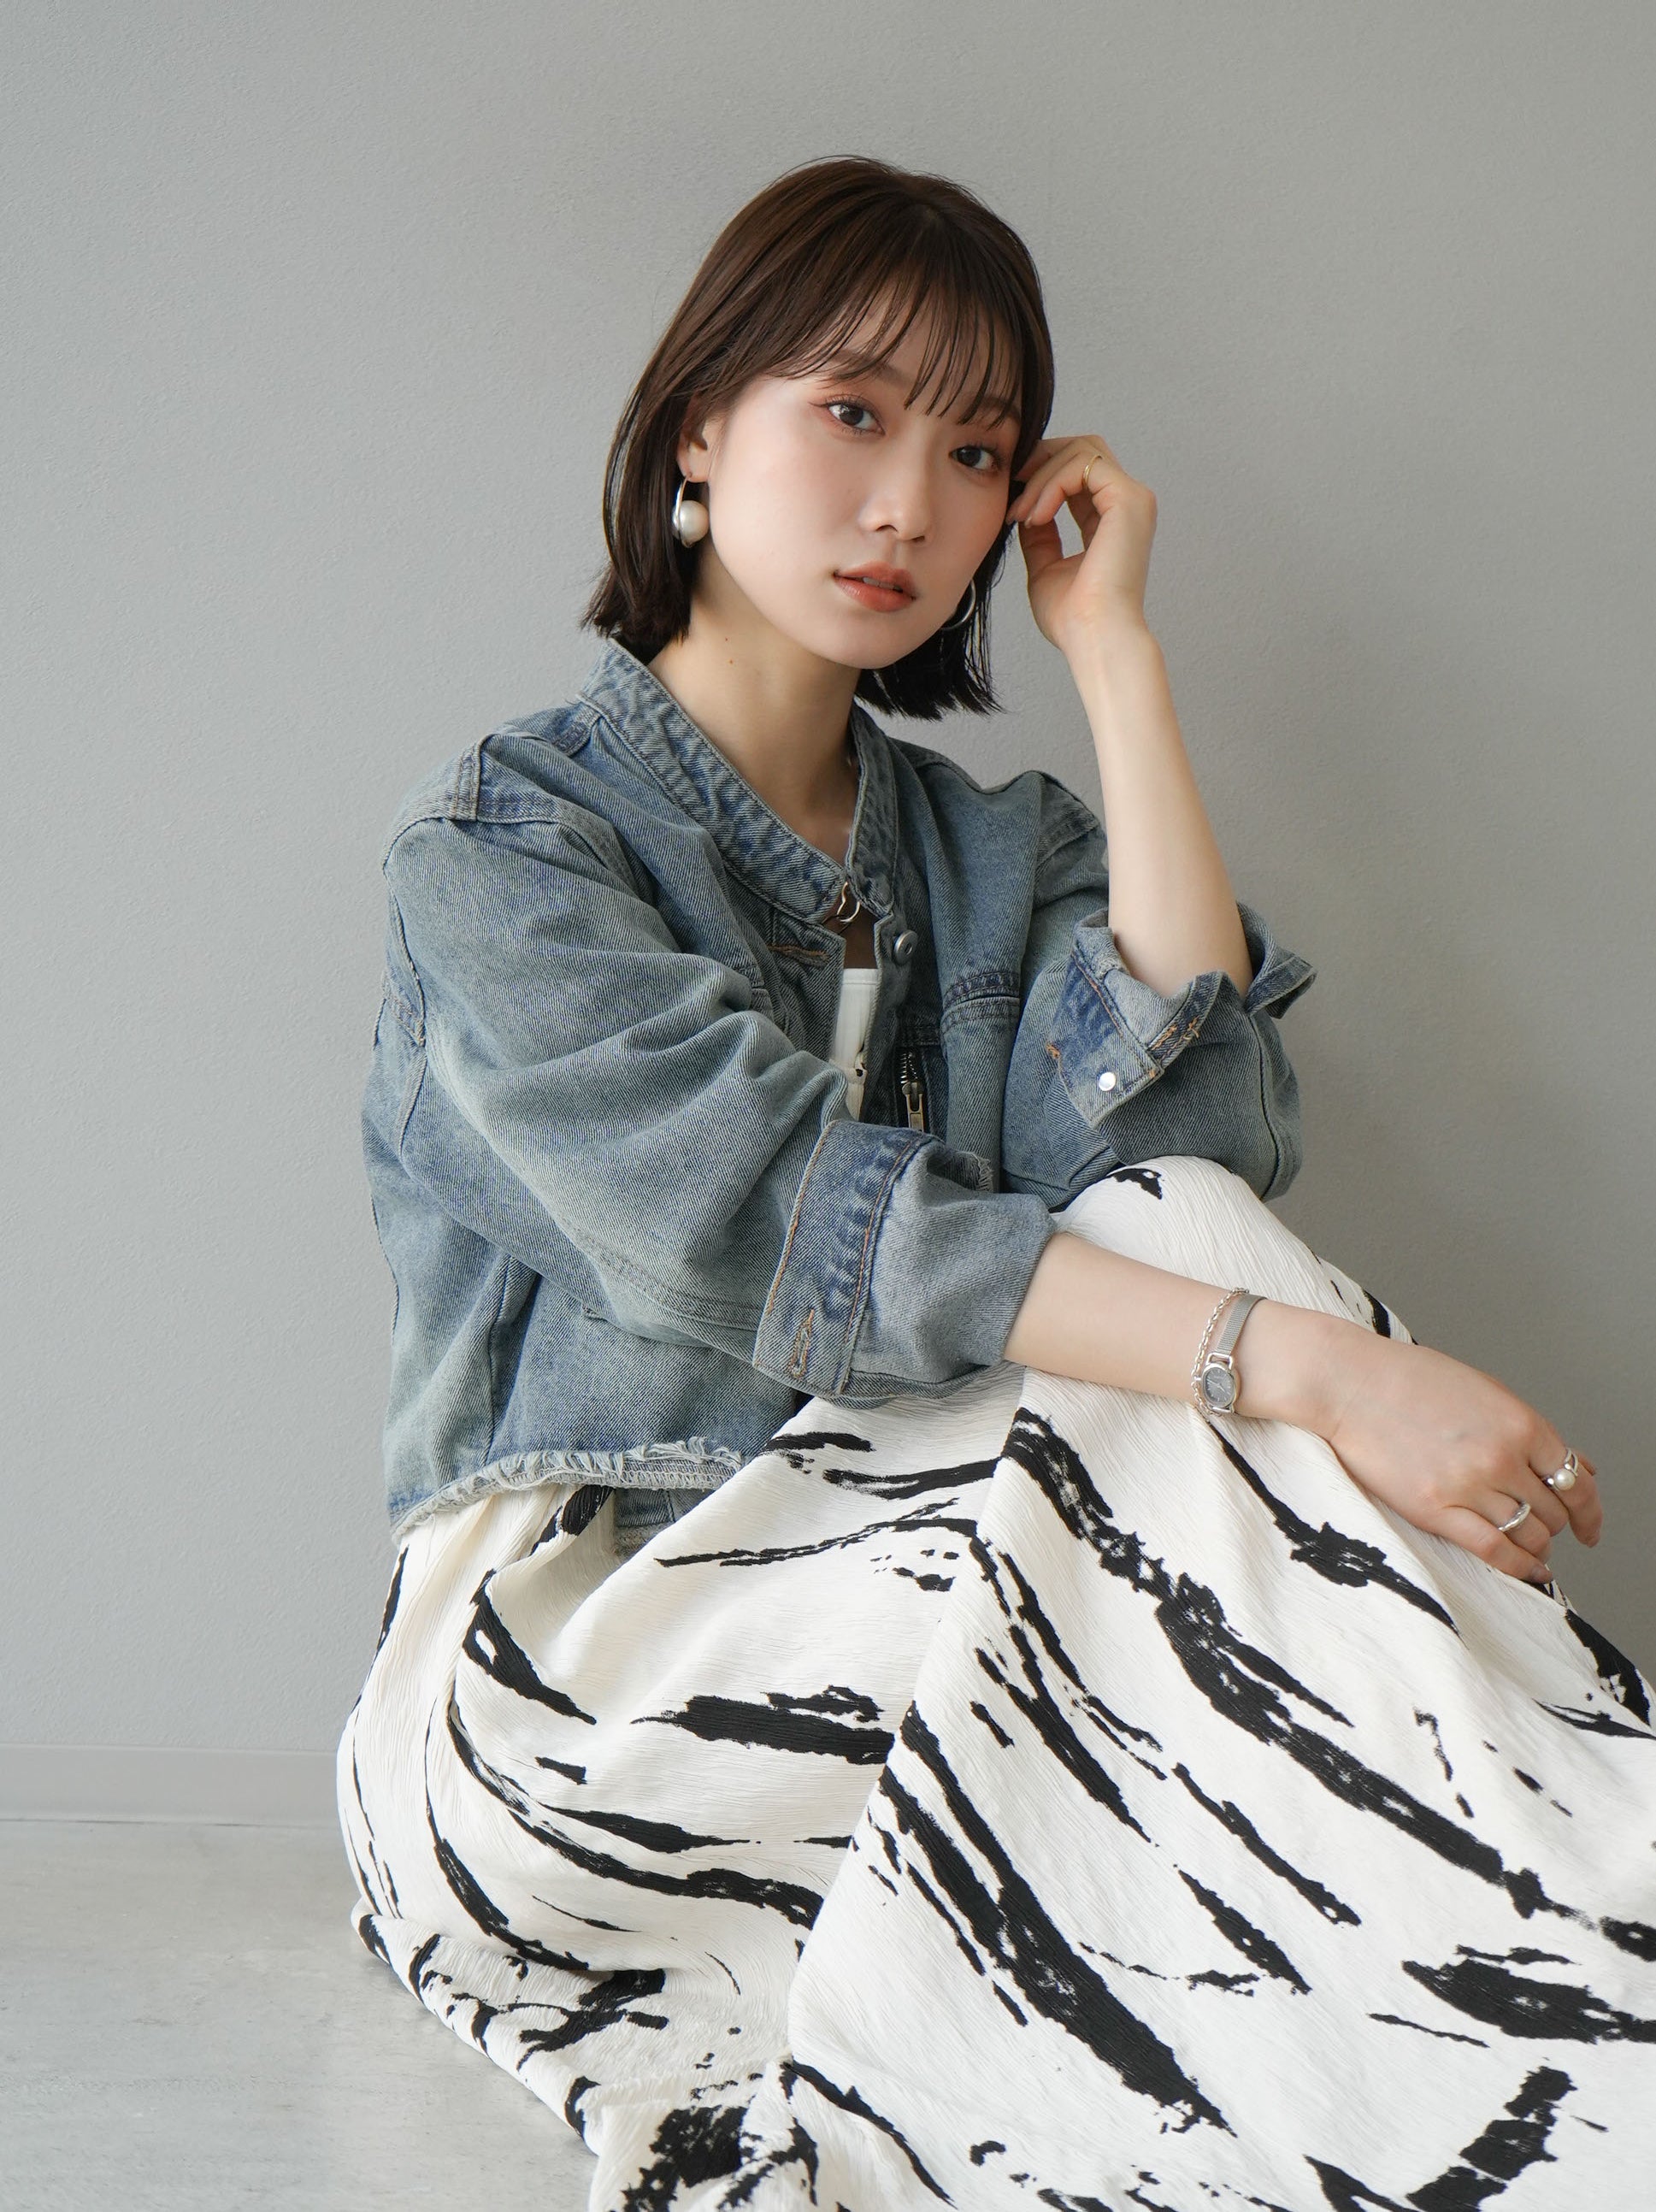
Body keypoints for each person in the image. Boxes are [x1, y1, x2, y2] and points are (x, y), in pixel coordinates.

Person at [337, 157, 1651, 2209]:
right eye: (850, 413)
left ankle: (1558, 1952)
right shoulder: (509, 850)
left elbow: (1192, 1156)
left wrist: (1115, 656)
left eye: (972, 451)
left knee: (1185, 1254)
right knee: (1227, 1357)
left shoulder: (984, 850)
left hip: (941, 1640)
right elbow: (783, 1219)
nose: (909, 505)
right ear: (699, 428)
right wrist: (1322, 1369)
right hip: (585, 1707)